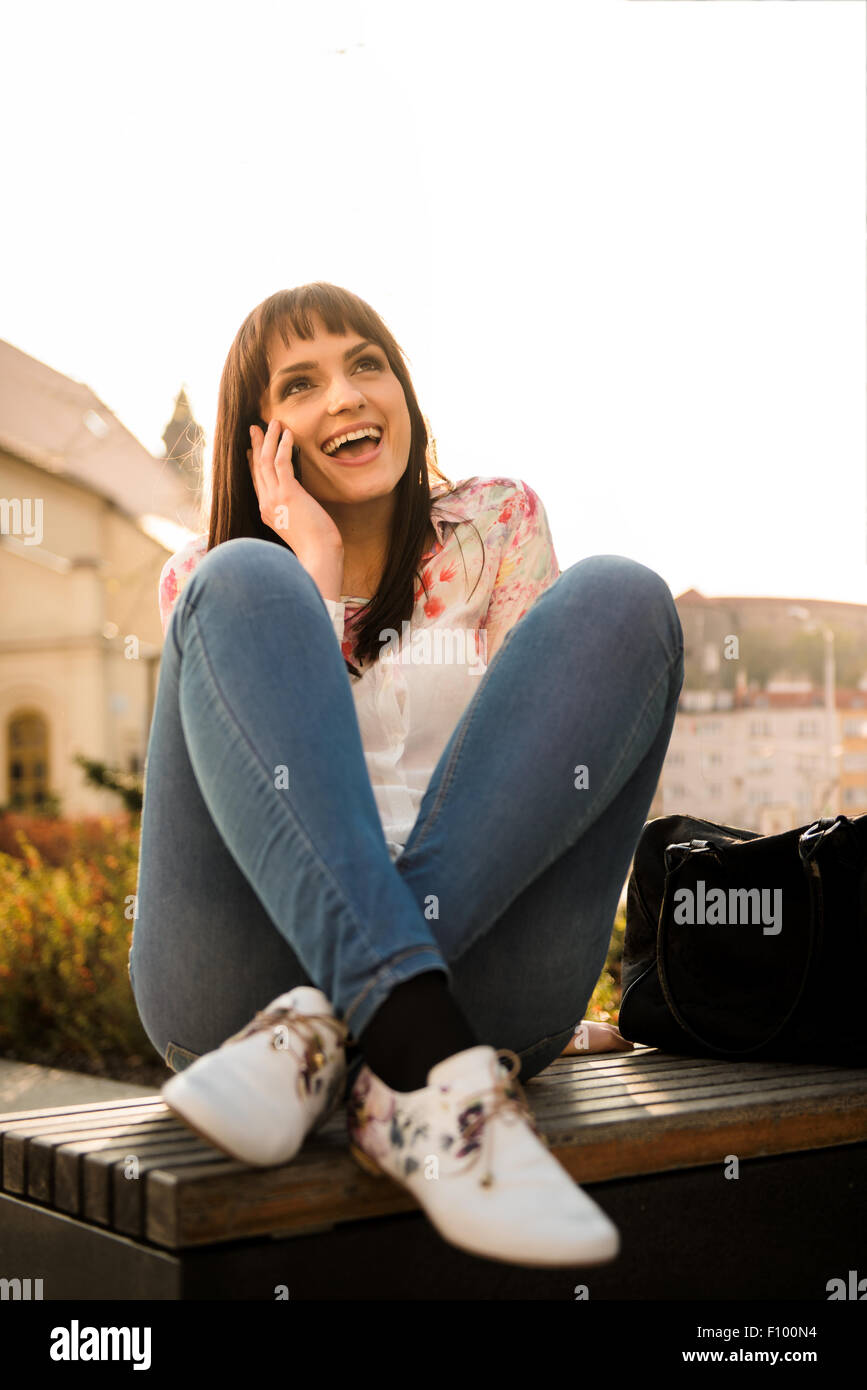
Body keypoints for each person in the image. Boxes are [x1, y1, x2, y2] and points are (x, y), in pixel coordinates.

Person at [128, 281, 684, 1269]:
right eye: (302, 382)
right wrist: (314, 571)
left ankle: (357, 1031)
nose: (346, 395)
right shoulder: (201, 580)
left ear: (404, 389)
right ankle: (406, 1041)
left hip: (484, 990)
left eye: (366, 363)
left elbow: (545, 770)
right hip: (238, 994)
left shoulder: (496, 527)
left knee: (623, 598)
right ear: (260, 435)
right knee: (239, 581)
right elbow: (259, 800)